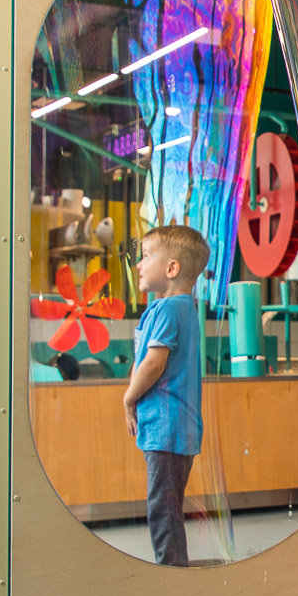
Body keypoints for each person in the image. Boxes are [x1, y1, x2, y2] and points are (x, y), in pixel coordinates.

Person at [123, 226, 211, 567]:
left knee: (163, 511)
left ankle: (172, 572)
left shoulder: (168, 310)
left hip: (166, 429)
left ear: (172, 268)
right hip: (175, 430)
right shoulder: (181, 308)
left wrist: (128, 398)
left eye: (146, 256)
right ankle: (174, 567)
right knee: (168, 507)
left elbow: (153, 363)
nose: (139, 264)